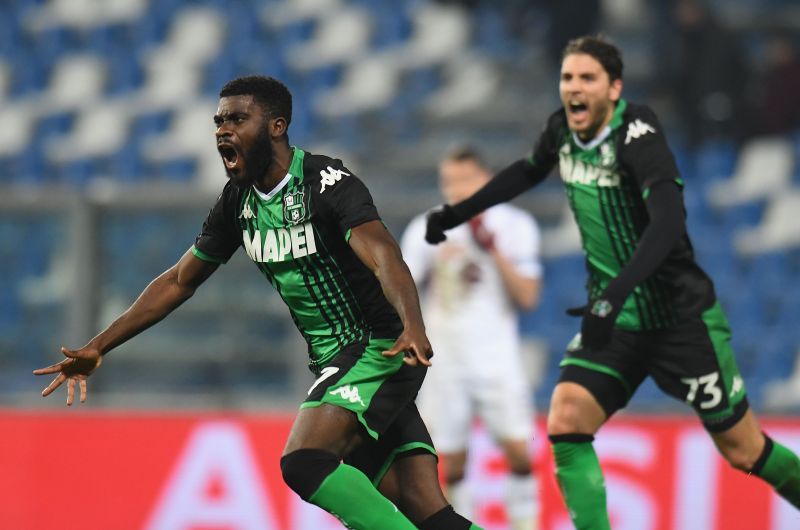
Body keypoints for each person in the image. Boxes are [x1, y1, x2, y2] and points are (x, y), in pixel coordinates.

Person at [34, 75, 485, 530]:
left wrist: (413, 323)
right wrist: (100, 345)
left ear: (276, 126)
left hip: (378, 346)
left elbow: (383, 254)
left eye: (237, 119)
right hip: (342, 362)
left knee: (305, 461)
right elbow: (177, 281)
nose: (222, 130)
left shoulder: (327, 182)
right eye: (218, 121)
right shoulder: (237, 203)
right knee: (429, 513)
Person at [424, 36, 800, 530]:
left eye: (587, 79)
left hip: (678, 319)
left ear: (614, 88)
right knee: (567, 421)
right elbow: (525, 172)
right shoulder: (561, 130)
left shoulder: (637, 134)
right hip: (616, 323)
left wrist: (616, 292)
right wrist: (458, 212)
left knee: (744, 449)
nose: (574, 88)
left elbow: (667, 224)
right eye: (567, 78)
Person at [401, 147, 542, 530]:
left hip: (497, 356)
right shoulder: (427, 226)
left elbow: (528, 296)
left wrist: (492, 248)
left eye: (464, 180)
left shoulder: (514, 225)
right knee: (452, 461)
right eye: (449, 181)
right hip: (446, 360)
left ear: (486, 179)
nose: (456, 190)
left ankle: (524, 524)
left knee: (519, 452)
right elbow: (402, 289)